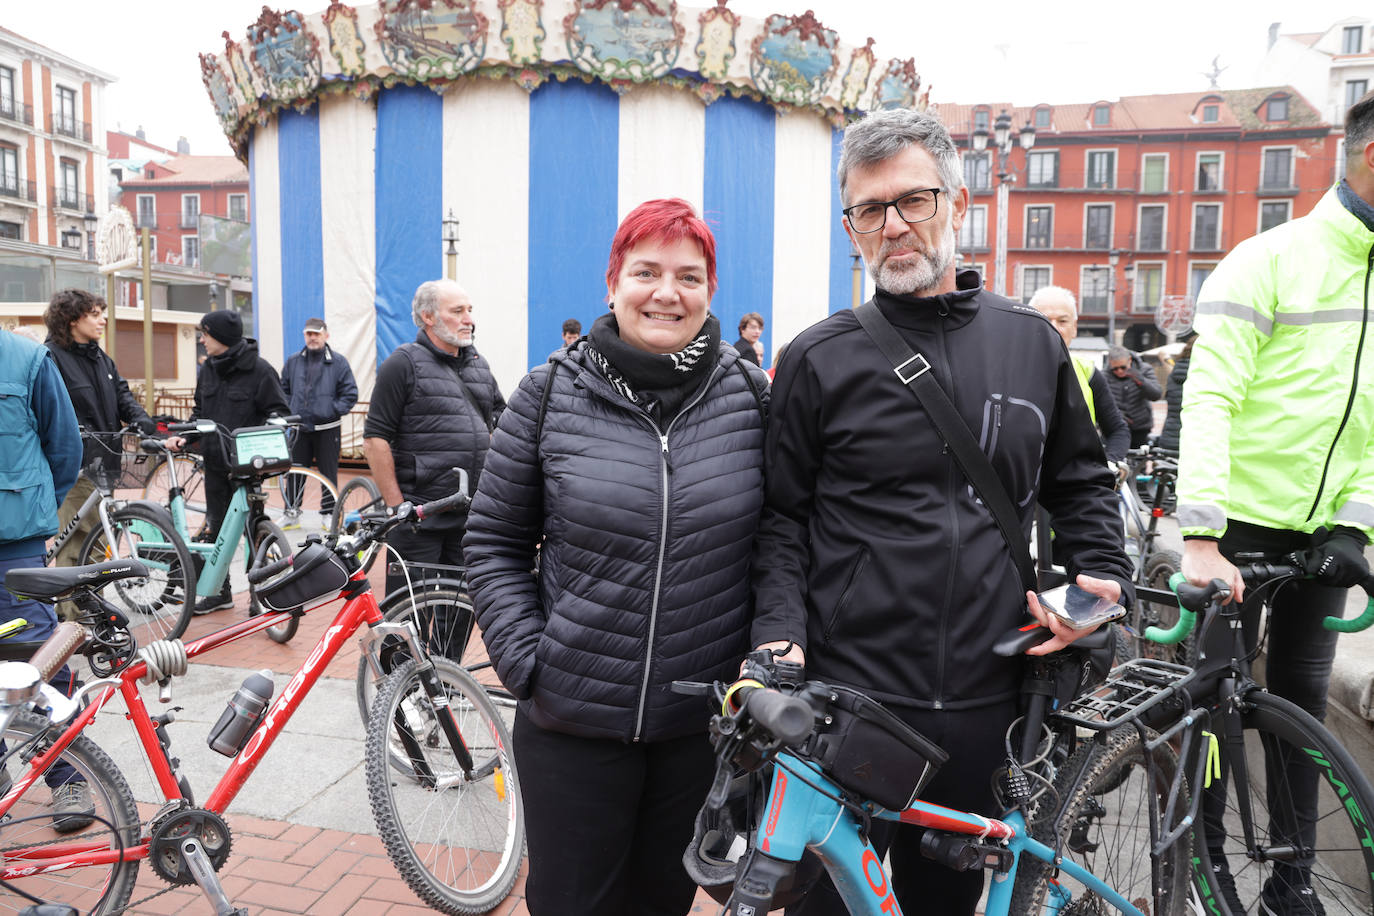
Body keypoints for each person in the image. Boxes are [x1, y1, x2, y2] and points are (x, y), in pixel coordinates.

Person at [751, 108, 1131, 916]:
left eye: (912, 201)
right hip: (851, 708)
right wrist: (776, 636)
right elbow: (781, 519)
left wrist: (1098, 586)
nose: (893, 226)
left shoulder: (1033, 343)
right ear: (850, 226)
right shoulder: (818, 358)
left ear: (956, 202)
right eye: (869, 210)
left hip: (990, 704)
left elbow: (1081, 480)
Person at [464, 198, 769, 916]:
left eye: (688, 276)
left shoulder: (751, 396)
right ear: (612, 283)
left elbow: (778, 543)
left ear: (710, 291)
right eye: (647, 271)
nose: (667, 292)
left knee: (663, 902)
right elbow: (495, 540)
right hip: (572, 724)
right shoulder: (548, 394)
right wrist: (529, 660)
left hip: (697, 730)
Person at [1177, 90, 1374, 914]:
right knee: (1215, 713)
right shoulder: (1269, 259)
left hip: (1321, 530)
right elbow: (1210, 396)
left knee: (1302, 718)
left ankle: (1291, 883)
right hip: (1237, 530)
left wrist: (1354, 524)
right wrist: (1200, 535)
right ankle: (1202, 861)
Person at [0, 327, 92, 831]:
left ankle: (70, 777)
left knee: (40, 662)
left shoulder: (26, 360)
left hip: (12, 549)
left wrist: (31, 512)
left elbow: (64, 448)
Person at [364, 279, 504, 599]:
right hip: (419, 519)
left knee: (459, 613)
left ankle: (446, 654)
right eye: (458, 311)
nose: (469, 319)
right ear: (429, 317)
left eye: (469, 310)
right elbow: (375, 439)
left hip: (470, 515)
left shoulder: (478, 365)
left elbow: (501, 419)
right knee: (407, 612)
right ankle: (398, 652)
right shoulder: (402, 364)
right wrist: (397, 506)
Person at [181, 310, 288, 614]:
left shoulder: (261, 370)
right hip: (214, 464)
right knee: (217, 529)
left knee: (254, 532)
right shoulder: (209, 369)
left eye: (205, 334)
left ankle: (260, 595)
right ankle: (220, 592)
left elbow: (278, 413)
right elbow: (200, 414)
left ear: (222, 337)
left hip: (248, 470)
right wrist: (185, 437)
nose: (201, 340)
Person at [42, 290, 155, 576]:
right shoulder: (51, 358)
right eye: (94, 314)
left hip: (105, 460)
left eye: (102, 313)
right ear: (70, 320)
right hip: (74, 466)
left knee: (98, 538)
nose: (103, 320)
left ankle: (84, 610)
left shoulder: (101, 359)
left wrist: (143, 422)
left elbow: (123, 397)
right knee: (80, 540)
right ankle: (73, 614)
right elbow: (50, 410)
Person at [1028, 286, 1130, 462]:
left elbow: (1118, 430)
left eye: (1062, 321)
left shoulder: (1088, 371)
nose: (1054, 328)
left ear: (1074, 328)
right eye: (1044, 320)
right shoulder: (1007, 370)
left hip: (1075, 482)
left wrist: (1110, 465)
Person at [280, 317, 358, 524]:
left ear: (326, 335)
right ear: (304, 335)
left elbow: (350, 394)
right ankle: (291, 512)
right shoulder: (293, 361)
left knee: (328, 473)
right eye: (309, 334)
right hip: (299, 428)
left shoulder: (339, 362)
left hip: (327, 428)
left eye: (317, 333)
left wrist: (332, 410)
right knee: (295, 472)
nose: (313, 337)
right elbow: (283, 390)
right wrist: (291, 411)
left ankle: (328, 514)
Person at [1104, 343, 1162, 448]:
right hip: (1114, 427)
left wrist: (1139, 379)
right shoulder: (1104, 375)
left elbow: (1156, 395)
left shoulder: (1144, 369)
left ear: (1129, 360)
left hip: (1140, 427)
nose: (1119, 371)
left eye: (1123, 367)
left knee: (1139, 461)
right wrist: (1117, 414)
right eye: (1115, 369)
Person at [1155, 329, 1195, 452]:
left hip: (1169, 438)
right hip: (1192, 440)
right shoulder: (1205, 374)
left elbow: (1163, 354)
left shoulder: (1175, 371)